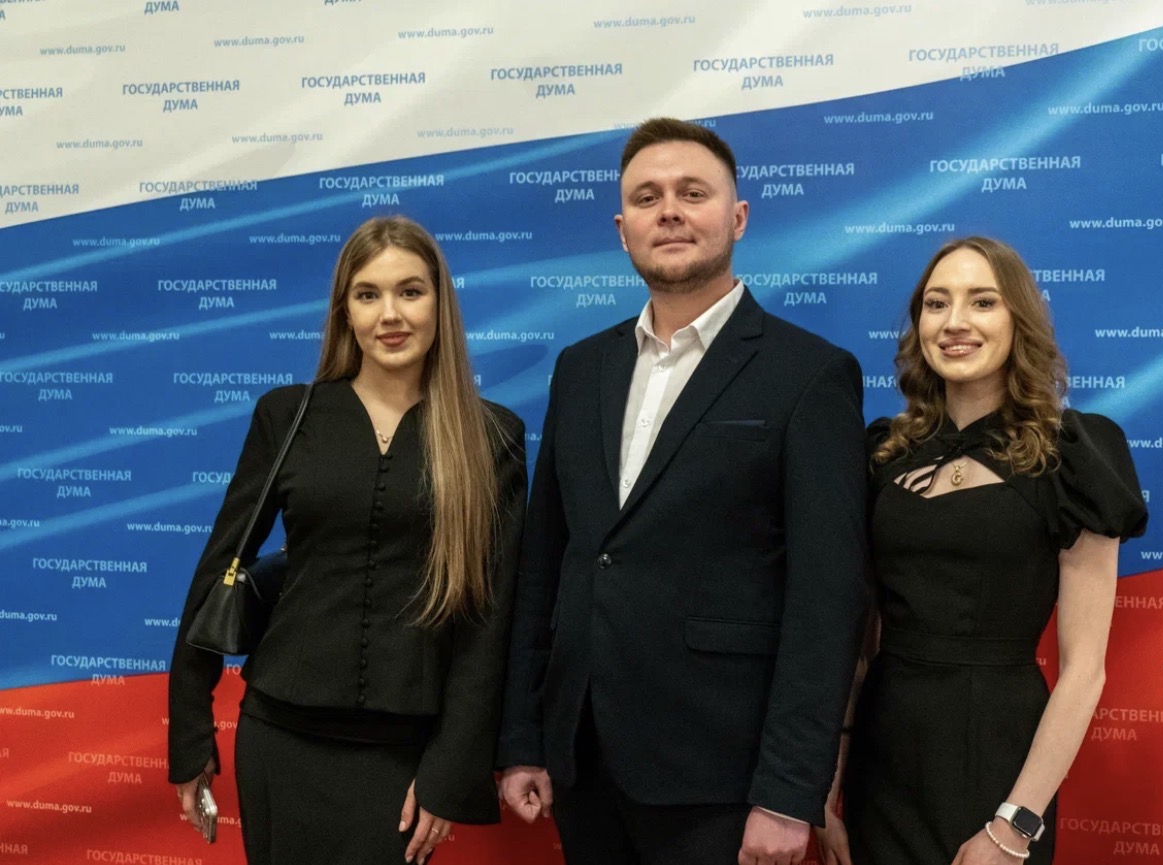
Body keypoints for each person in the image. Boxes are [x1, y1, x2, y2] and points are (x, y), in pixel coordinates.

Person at [497, 117, 871, 865]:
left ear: (738, 217)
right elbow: (546, 564)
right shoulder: (581, 368)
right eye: (647, 197)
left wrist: (788, 791)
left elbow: (826, 601)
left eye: (692, 193)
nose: (668, 211)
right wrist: (523, 737)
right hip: (584, 762)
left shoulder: (809, 375)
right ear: (622, 230)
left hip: (725, 779)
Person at [167, 215, 526, 865]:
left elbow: (488, 621)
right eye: (368, 294)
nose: (390, 314)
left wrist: (451, 768)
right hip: (280, 736)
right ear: (345, 311)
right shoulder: (287, 415)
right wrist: (191, 736)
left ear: (440, 303)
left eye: (410, 291)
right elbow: (221, 568)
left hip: (403, 755)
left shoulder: (491, 437)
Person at [815, 237, 1147, 865]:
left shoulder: (1071, 456)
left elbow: (1084, 669)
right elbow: (858, 639)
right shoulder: (883, 453)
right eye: (936, 303)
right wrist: (830, 778)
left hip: (1000, 757)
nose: (955, 322)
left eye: (983, 302)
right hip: (881, 758)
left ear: (1019, 319)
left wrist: (1015, 825)